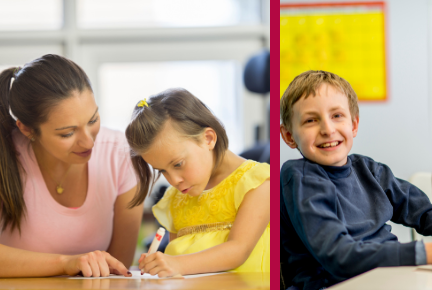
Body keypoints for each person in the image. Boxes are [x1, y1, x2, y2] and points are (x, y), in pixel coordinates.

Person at [279, 70, 432, 290]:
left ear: (354, 125)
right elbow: (339, 256)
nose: (327, 129)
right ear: (289, 136)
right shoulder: (299, 177)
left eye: (337, 116)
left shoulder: (369, 170)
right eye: (310, 120)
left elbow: (427, 213)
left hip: (389, 280)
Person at [0, 54, 138, 277]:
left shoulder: (118, 153)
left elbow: (118, 268)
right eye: (67, 133)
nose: (89, 142)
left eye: (93, 120)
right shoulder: (5, 155)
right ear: (27, 129)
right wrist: (65, 263)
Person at [122, 88, 270, 277]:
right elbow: (177, 257)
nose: (173, 180)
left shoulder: (258, 182)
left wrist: (176, 264)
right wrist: (161, 264)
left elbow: (238, 250)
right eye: (162, 171)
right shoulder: (176, 198)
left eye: (178, 164)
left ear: (208, 139)